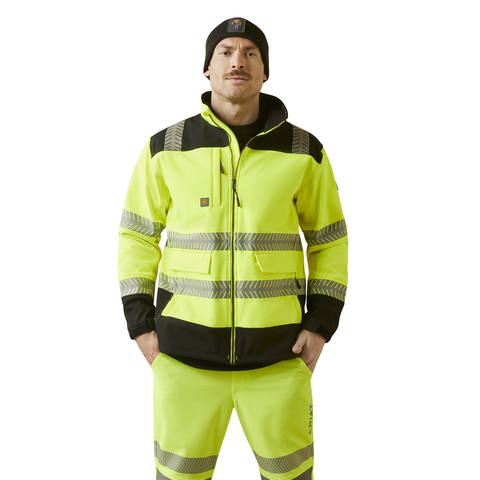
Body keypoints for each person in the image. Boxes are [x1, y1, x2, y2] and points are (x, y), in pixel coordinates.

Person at [118, 17, 348, 480]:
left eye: (250, 53)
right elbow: (138, 236)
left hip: (279, 358)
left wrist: (321, 324)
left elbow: (329, 240)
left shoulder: (304, 150)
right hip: (183, 359)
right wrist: (140, 325)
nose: (237, 61)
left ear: (265, 71)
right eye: (224, 52)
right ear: (207, 68)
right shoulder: (166, 147)